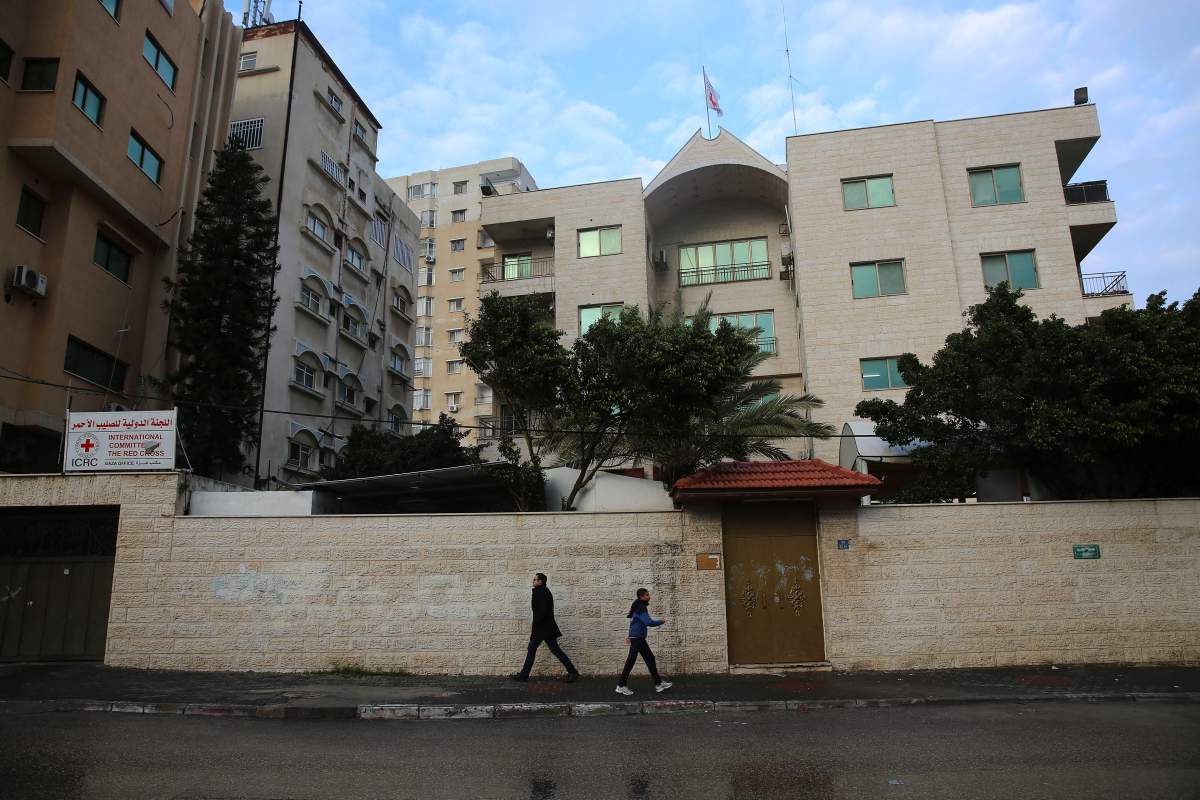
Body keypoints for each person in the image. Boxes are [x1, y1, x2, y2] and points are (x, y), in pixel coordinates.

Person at [512, 572, 580, 682]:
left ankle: (572, 672)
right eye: (533, 579)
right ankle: (524, 675)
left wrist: (536, 626)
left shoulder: (542, 592)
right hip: (543, 628)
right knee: (534, 648)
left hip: (544, 628)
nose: (533, 581)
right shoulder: (540, 591)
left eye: (535, 580)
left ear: (540, 581)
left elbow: (542, 612)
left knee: (552, 650)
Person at [615, 587, 672, 695]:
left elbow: (633, 622)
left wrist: (629, 635)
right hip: (637, 639)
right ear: (641, 597)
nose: (649, 596)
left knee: (650, 658)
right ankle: (621, 686)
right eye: (647, 595)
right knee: (630, 662)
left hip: (638, 638)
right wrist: (661, 621)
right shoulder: (641, 607)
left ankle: (658, 684)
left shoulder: (637, 605)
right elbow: (648, 622)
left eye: (648, 594)